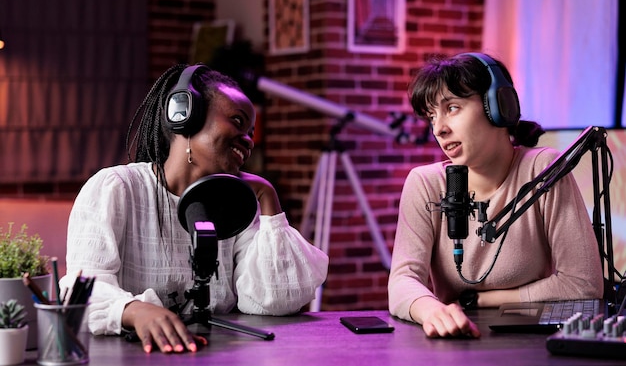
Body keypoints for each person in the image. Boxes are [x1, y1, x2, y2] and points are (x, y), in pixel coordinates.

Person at [60, 64, 329, 353]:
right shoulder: (116, 188)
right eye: (237, 121)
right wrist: (134, 310)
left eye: (251, 131)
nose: (249, 140)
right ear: (185, 116)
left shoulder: (234, 206)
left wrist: (266, 195)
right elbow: (81, 292)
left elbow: (273, 300)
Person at [387, 52, 604, 338]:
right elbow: (402, 280)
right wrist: (431, 309)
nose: (439, 128)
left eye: (452, 108)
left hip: (532, 343)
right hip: (456, 340)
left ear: (497, 106)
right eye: (431, 116)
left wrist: (480, 300)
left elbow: (583, 282)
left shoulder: (542, 170)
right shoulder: (426, 184)